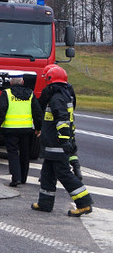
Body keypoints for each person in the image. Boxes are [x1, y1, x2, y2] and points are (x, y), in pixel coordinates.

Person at [33, 66, 94, 217]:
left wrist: (65, 141)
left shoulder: (57, 98)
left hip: (57, 144)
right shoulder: (63, 95)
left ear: (50, 80)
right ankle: (45, 203)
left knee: (64, 174)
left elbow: (62, 121)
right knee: (47, 174)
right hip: (53, 144)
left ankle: (84, 203)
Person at [0, 74, 43, 187]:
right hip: (26, 130)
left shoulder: (7, 94)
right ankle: (23, 178)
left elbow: (0, 112)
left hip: (10, 130)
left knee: (13, 153)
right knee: (25, 154)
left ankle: (16, 178)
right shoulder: (30, 94)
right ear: (22, 82)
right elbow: (37, 113)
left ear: (11, 82)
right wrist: (38, 128)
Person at [40, 64, 83, 181]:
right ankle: (76, 168)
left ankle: (69, 174)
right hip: (69, 122)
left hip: (57, 126)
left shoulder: (53, 93)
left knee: (60, 150)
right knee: (71, 145)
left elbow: (43, 106)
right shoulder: (68, 89)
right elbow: (72, 105)